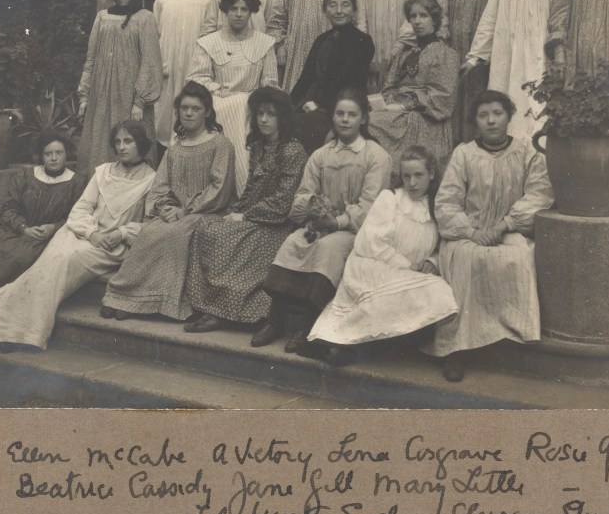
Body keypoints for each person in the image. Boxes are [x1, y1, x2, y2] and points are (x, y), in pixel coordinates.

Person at [0, 120, 156, 351]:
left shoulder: (151, 180)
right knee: (45, 265)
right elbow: (80, 209)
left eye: (128, 141)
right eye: (117, 142)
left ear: (141, 144)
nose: (121, 147)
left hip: (110, 245)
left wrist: (122, 232)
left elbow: (151, 223)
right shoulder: (103, 172)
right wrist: (91, 232)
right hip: (79, 232)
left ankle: (3, 325)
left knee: (61, 263)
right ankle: (6, 327)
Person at [424, 89, 555, 382]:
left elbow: (539, 193)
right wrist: (472, 231)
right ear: (475, 122)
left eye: (497, 114)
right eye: (483, 116)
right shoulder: (464, 153)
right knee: (464, 260)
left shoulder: (526, 152)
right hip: (468, 232)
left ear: (509, 117)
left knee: (518, 257)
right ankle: (456, 350)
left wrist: (505, 224)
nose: (491, 121)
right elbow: (446, 202)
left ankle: (510, 343)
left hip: (509, 229)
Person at [256, 88, 391, 353]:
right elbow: (303, 193)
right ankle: (275, 320)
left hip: (353, 230)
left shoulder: (375, 156)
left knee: (329, 249)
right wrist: (313, 209)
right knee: (292, 242)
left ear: (363, 119)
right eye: (340, 114)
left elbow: (371, 205)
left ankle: (306, 325)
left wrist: (337, 222)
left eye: (352, 115)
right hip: (318, 226)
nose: (345, 120)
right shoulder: (321, 155)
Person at [305, 146, 458, 367]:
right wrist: (407, 264)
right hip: (373, 265)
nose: (412, 183)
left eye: (418, 175)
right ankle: (353, 347)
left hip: (408, 271)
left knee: (440, 291)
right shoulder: (391, 198)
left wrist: (431, 262)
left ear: (431, 174)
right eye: (406, 176)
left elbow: (441, 243)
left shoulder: (436, 206)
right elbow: (371, 243)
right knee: (404, 294)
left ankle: (374, 347)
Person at [99, 82, 236, 321]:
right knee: (150, 231)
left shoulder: (220, 144)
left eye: (195, 108)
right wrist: (164, 208)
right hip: (175, 213)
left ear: (207, 112)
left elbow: (219, 187)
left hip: (208, 212)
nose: (189, 113)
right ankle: (123, 294)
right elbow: (160, 186)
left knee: (175, 233)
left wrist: (185, 210)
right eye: (184, 108)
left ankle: (140, 301)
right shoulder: (175, 148)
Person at [181, 87, 309, 335]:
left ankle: (224, 311)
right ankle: (210, 306)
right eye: (259, 113)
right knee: (206, 228)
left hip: (277, 224)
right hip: (255, 217)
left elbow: (283, 201)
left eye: (270, 114)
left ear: (282, 117)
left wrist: (245, 216)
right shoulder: (259, 145)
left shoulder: (292, 151)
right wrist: (236, 210)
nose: (263, 120)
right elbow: (250, 189)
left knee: (227, 238)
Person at [0, 132, 89, 310]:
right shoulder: (26, 176)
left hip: (50, 236)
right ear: (41, 156)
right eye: (48, 154)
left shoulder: (76, 182)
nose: (54, 158)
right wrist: (23, 228)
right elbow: (9, 209)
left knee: (22, 257)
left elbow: (76, 215)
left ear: (67, 154)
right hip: (17, 230)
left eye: (59, 153)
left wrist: (53, 227)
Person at [465, 0, 565, 139]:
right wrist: (475, 56)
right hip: (507, 48)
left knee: (537, 98)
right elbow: (491, 14)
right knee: (508, 94)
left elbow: (561, 15)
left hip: (539, 45)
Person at [189, 0, 279, 194]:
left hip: (252, 105)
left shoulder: (264, 43)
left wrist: (254, 100)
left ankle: (243, 189)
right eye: (233, 9)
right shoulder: (209, 42)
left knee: (243, 107)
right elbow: (196, 77)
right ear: (225, 12)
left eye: (244, 9)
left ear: (251, 12)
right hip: (218, 101)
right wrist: (218, 90)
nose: (238, 14)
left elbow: (270, 83)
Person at [77, 0, 162, 171]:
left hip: (129, 98)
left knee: (130, 142)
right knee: (100, 143)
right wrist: (85, 95)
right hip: (101, 96)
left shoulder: (145, 18)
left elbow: (150, 61)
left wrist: (139, 102)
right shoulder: (102, 17)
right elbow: (91, 58)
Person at [367, 0, 457, 175]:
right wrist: (382, 102)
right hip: (396, 112)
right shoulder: (404, 54)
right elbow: (389, 85)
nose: (417, 21)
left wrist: (403, 105)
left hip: (424, 118)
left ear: (435, 20)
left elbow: (443, 96)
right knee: (362, 120)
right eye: (413, 16)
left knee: (368, 124)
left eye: (423, 16)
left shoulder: (445, 54)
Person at [434, 0, 500, 142]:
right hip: (456, 43)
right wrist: (443, 36)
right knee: (456, 93)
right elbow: (441, 9)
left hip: (485, 45)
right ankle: (456, 147)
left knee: (482, 92)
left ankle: (482, 144)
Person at [286, 0, 374, 154]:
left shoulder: (362, 41)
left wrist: (318, 105)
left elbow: (348, 82)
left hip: (340, 104)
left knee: (300, 126)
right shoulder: (321, 40)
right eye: (333, 5)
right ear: (325, 11)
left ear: (354, 10)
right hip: (313, 103)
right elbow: (306, 78)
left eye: (345, 5)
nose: (339, 11)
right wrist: (289, 105)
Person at [152, 0, 218, 147]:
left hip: (192, 64)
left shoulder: (205, 0)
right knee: (163, 113)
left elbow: (210, 36)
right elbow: (155, 35)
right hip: (167, 65)